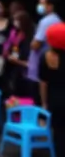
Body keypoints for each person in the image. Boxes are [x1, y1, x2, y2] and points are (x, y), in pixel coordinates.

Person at [27, 0, 61, 105]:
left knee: (39, 99)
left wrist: (31, 43)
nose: (39, 6)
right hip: (53, 64)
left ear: (50, 6)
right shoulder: (57, 20)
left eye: (42, 3)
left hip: (40, 64)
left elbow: (36, 44)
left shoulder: (45, 22)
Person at [39, 22, 65, 156]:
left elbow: (43, 83)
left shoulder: (45, 56)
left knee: (59, 133)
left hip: (54, 99)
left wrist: (44, 103)